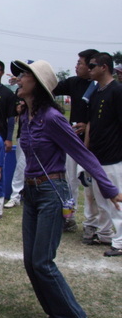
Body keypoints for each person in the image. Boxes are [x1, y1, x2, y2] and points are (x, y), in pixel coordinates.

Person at [10, 59, 121, 318]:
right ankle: (56, 312)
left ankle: (73, 316)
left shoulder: (52, 118)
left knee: (42, 261)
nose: (19, 79)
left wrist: (109, 189)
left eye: (24, 75)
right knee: (30, 261)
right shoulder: (26, 116)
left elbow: (82, 153)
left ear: (37, 84)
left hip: (52, 191)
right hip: (32, 191)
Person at [52, 49, 99, 232]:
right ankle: (68, 217)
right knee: (70, 180)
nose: (76, 66)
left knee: (90, 184)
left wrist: (88, 126)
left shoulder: (100, 87)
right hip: (73, 140)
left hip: (95, 144)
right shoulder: (74, 82)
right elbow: (52, 87)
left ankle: (92, 223)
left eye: (80, 63)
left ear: (91, 65)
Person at [85, 52, 122, 256]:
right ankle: (106, 234)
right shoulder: (97, 92)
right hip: (97, 157)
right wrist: (86, 150)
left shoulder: (117, 90)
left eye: (92, 66)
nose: (89, 69)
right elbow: (91, 124)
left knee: (115, 199)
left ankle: (120, 241)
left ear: (104, 67)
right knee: (101, 200)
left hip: (114, 157)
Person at [5, 98, 26, 208]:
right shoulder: (19, 94)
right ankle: (20, 195)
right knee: (21, 166)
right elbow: (13, 115)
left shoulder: (39, 94)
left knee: (21, 167)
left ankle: (15, 196)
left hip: (36, 135)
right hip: (22, 136)